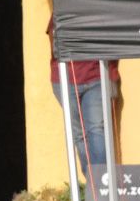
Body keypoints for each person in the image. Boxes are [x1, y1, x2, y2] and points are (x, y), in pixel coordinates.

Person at [47, 15, 119, 177]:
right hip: (65, 80)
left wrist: (112, 75)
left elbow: (113, 40)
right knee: (80, 135)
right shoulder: (61, 9)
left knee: (96, 129)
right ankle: (93, 185)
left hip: (96, 76)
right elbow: (54, 46)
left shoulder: (95, 6)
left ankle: (103, 183)